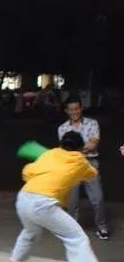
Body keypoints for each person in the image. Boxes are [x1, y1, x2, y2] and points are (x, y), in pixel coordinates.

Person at [5, 131, 110, 262]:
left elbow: (27, 172)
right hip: (43, 203)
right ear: (80, 147)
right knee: (76, 236)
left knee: (30, 232)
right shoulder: (80, 160)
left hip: (24, 198)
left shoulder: (49, 154)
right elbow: (92, 174)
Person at [57, 96, 108, 240]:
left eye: (77, 109)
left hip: (90, 164)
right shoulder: (62, 128)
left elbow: (93, 144)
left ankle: (102, 227)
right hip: (71, 166)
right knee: (71, 202)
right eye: (71, 109)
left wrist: (75, 149)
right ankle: (72, 230)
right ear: (67, 111)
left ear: (81, 108)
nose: (75, 112)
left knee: (98, 198)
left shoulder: (92, 123)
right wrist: (81, 148)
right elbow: (65, 150)